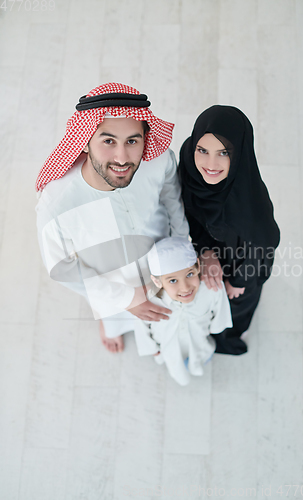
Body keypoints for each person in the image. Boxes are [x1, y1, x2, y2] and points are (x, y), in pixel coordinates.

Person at [36, 82, 189, 353]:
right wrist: (127, 298)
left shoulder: (158, 161)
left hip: (159, 257)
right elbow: (62, 268)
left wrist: (179, 245)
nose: (122, 157)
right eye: (108, 141)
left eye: (132, 141)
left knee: (163, 312)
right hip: (112, 280)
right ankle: (113, 324)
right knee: (118, 315)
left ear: (145, 139)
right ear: (85, 141)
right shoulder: (56, 205)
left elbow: (172, 196)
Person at [178, 105, 280, 355]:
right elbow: (192, 213)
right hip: (212, 245)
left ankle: (233, 333)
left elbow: (263, 245)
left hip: (245, 259)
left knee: (237, 302)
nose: (210, 164)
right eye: (202, 150)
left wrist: (238, 280)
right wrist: (206, 251)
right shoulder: (191, 169)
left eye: (223, 152)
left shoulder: (248, 199)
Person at [134, 237, 232, 386]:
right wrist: (152, 349)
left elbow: (220, 313)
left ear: (198, 266)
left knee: (199, 355)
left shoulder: (211, 289)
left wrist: (216, 328)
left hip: (200, 342)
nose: (185, 288)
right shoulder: (149, 301)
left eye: (189, 274)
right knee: (174, 362)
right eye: (173, 281)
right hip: (167, 347)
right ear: (157, 281)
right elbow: (141, 326)